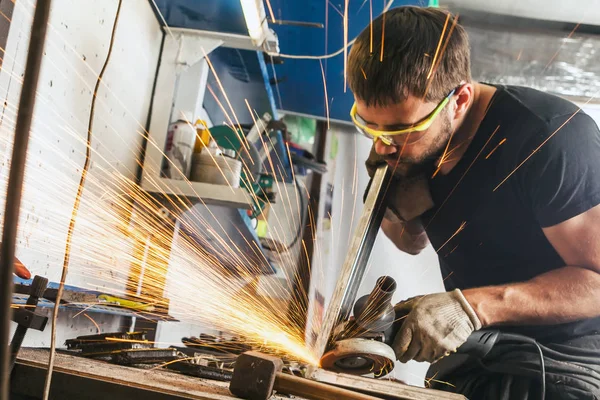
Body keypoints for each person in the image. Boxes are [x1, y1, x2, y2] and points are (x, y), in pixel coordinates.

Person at [347, 6, 600, 399]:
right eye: (370, 126)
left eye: (402, 128)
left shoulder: (550, 140)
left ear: (460, 98)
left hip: (565, 365)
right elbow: (410, 242)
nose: (382, 143)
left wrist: (474, 307)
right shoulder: (409, 145)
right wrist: (398, 190)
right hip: (478, 354)